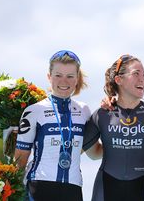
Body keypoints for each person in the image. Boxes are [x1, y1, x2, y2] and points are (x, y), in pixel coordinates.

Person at [82, 54, 144, 201]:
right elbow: (89, 153)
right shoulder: (102, 114)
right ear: (119, 80)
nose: (142, 79)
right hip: (106, 188)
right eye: (136, 74)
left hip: (143, 189)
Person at [14, 50, 90, 201]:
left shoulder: (84, 110)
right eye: (58, 75)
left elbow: (89, 149)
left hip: (73, 188)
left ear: (77, 79)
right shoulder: (33, 111)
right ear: (49, 77)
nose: (64, 81)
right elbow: (20, 158)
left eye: (70, 76)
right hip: (39, 187)